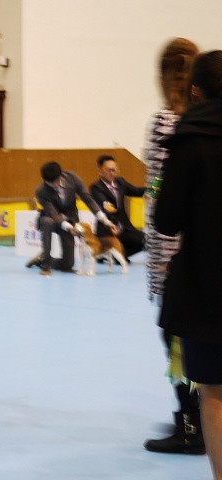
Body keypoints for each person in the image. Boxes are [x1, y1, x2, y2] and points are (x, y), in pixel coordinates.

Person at [155, 50, 222, 479]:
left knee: (213, 393)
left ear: (196, 90)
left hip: (207, 287)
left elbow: (166, 219)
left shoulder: (189, 139)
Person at [142, 37, 203, 455]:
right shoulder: (204, 121)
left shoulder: (166, 123)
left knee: (176, 342)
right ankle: (201, 415)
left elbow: (164, 194)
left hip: (171, 253)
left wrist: (166, 258)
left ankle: (190, 424)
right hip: (200, 250)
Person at [26, 161, 116, 276]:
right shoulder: (41, 191)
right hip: (51, 218)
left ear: (61, 176)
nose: (53, 185)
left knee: (68, 265)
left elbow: (87, 198)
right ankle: (46, 265)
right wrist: (69, 228)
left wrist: (104, 219)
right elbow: (54, 214)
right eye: (49, 183)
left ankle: (40, 259)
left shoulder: (72, 178)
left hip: (70, 218)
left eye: (55, 182)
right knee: (47, 221)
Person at [89, 155, 145, 261]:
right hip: (108, 231)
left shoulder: (120, 182)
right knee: (122, 260)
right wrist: (112, 225)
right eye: (109, 170)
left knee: (147, 240)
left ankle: (116, 256)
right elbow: (107, 208)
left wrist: (152, 189)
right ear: (100, 171)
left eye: (114, 170)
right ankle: (109, 254)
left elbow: (137, 191)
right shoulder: (96, 188)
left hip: (125, 229)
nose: (112, 173)